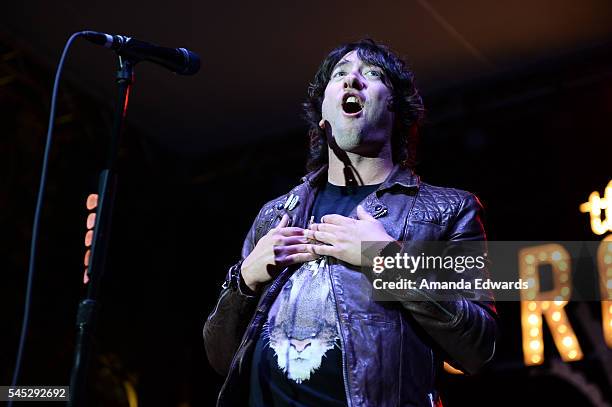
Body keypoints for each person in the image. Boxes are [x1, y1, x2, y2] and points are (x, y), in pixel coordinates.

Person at [203, 39, 498, 407]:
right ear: (323, 114)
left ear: (396, 110)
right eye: (339, 74)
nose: (352, 81)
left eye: (372, 75)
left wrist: (386, 259)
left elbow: (478, 348)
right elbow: (219, 357)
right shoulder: (275, 215)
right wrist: (244, 280)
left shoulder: (447, 210)